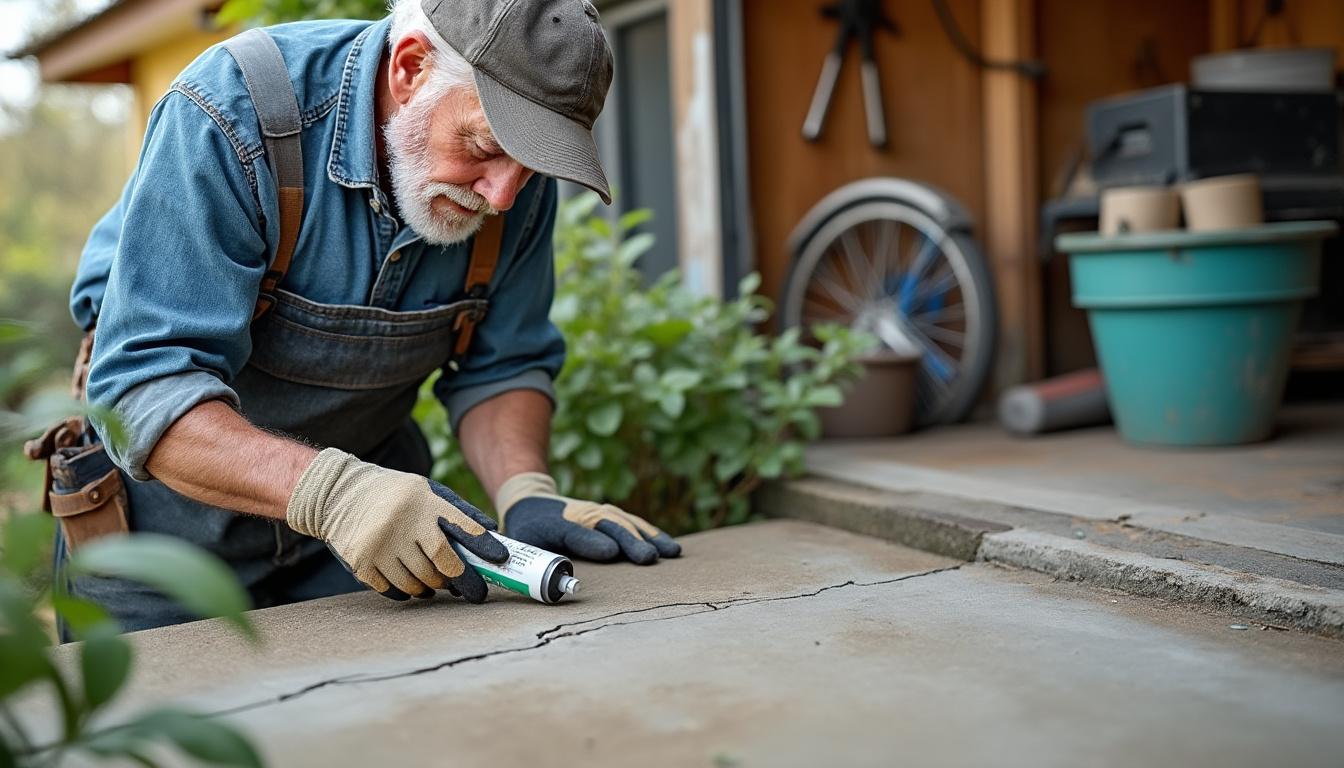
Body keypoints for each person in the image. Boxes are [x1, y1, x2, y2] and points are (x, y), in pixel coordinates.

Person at [62, 0, 680, 632]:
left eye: (530, 165)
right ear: (409, 68)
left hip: (363, 540)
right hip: (159, 539)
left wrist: (525, 490)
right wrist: (335, 495)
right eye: (484, 146)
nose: (502, 195)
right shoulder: (232, 115)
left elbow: (502, 364)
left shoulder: (511, 181)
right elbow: (144, 389)